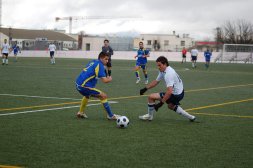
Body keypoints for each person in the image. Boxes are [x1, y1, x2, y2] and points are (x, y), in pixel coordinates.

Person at [139, 56, 196, 122]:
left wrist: (160, 103)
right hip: (180, 92)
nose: (158, 67)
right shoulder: (163, 70)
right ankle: (191, 117)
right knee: (170, 106)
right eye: (157, 65)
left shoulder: (169, 74)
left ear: (165, 64)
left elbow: (169, 91)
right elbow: (156, 81)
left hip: (175, 94)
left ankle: (149, 116)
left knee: (151, 97)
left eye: (159, 65)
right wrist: (145, 89)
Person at [75, 51, 120, 120]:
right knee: (103, 96)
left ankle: (80, 113)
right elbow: (105, 81)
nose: (107, 61)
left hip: (78, 84)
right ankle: (110, 116)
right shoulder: (100, 66)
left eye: (108, 59)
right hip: (84, 86)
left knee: (87, 95)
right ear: (101, 58)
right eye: (106, 59)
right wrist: (110, 79)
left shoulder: (94, 61)